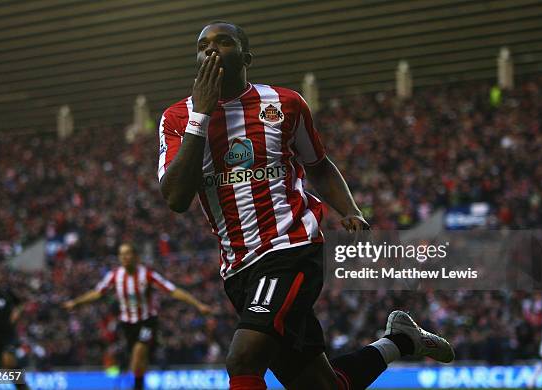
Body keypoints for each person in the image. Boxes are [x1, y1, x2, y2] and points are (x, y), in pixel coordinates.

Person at [158, 20, 454, 390]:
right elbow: (175, 198)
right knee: (321, 386)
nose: (212, 50)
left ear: (246, 56)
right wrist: (200, 117)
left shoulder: (284, 104)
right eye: (203, 46)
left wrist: (350, 209)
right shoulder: (177, 118)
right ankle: (400, 341)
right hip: (237, 267)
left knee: (244, 358)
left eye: (224, 42)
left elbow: (318, 164)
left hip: (291, 247)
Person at [63, 243, 212, 390]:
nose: (124, 257)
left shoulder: (147, 275)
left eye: (127, 253)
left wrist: (198, 304)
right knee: (138, 365)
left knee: (137, 355)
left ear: (136, 257)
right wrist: (76, 303)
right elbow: (97, 292)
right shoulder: (115, 276)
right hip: (127, 324)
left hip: (147, 322)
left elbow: (172, 290)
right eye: (121, 254)